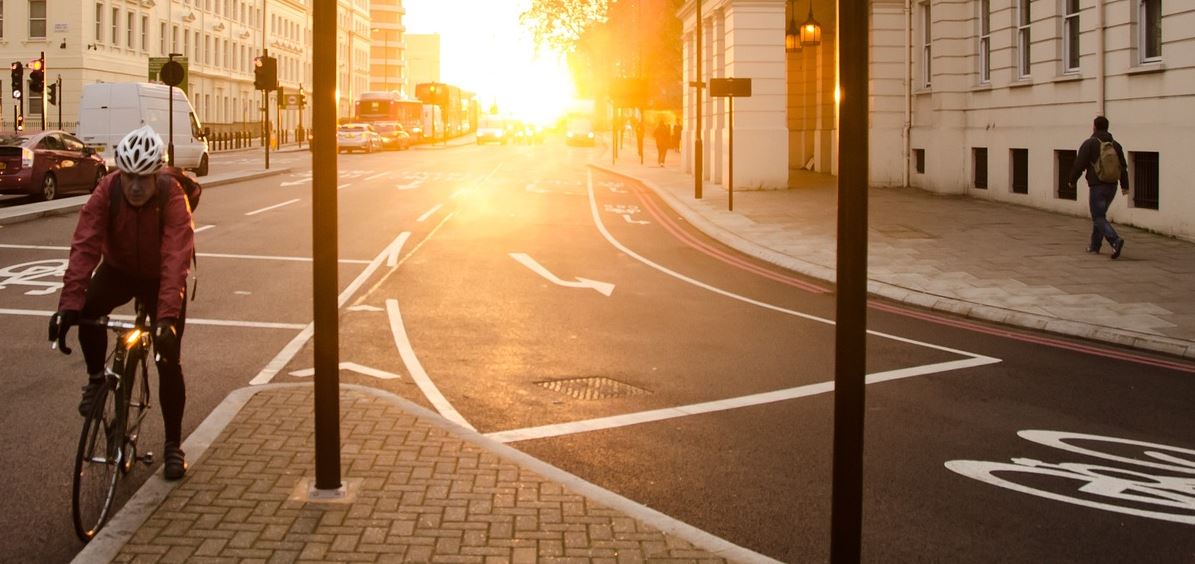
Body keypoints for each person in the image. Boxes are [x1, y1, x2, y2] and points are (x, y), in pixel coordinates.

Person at [49, 125, 195, 480]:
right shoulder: (107, 190)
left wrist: (166, 320)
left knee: (168, 359)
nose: (134, 186)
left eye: (143, 178)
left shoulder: (173, 196)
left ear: (156, 174)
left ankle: (173, 446)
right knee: (86, 311)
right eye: (128, 176)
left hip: (160, 276)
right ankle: (97, 380)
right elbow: (85, 244)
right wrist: (67, 306)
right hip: (119, 269)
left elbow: (176, 259)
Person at [1068, 115, 1130, 259]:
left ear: (1094, 126)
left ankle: (1115, 240)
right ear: (1107, 127)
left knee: (1098, 217)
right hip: (1112, 186)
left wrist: (1072, 180)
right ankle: (1094, 246)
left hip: (1097, 186)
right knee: (1100, 215)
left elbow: (1079, 164)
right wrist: (1124, 186)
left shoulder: (1090, 143)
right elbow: (1123, 167)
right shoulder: (1116, 145)